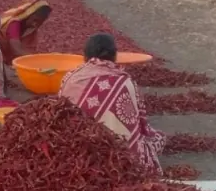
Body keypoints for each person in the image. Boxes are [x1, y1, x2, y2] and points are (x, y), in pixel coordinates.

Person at [59, 32, 166, 175]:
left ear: (85, 55)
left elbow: (61, 117)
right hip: (120, 156)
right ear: (114, 55)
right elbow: (138, 123)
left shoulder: (70, 78)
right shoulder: (124, 82)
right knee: (157, 138)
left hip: (76, 151)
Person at [0, 0, 53, 79]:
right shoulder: (13, 23)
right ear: (27, 14)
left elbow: (28, 50)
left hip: (9, 62)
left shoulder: (31, 29)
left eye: (39, 22)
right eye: (34, 20)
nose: (35, 24)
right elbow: (16, 49)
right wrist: (38, 62)